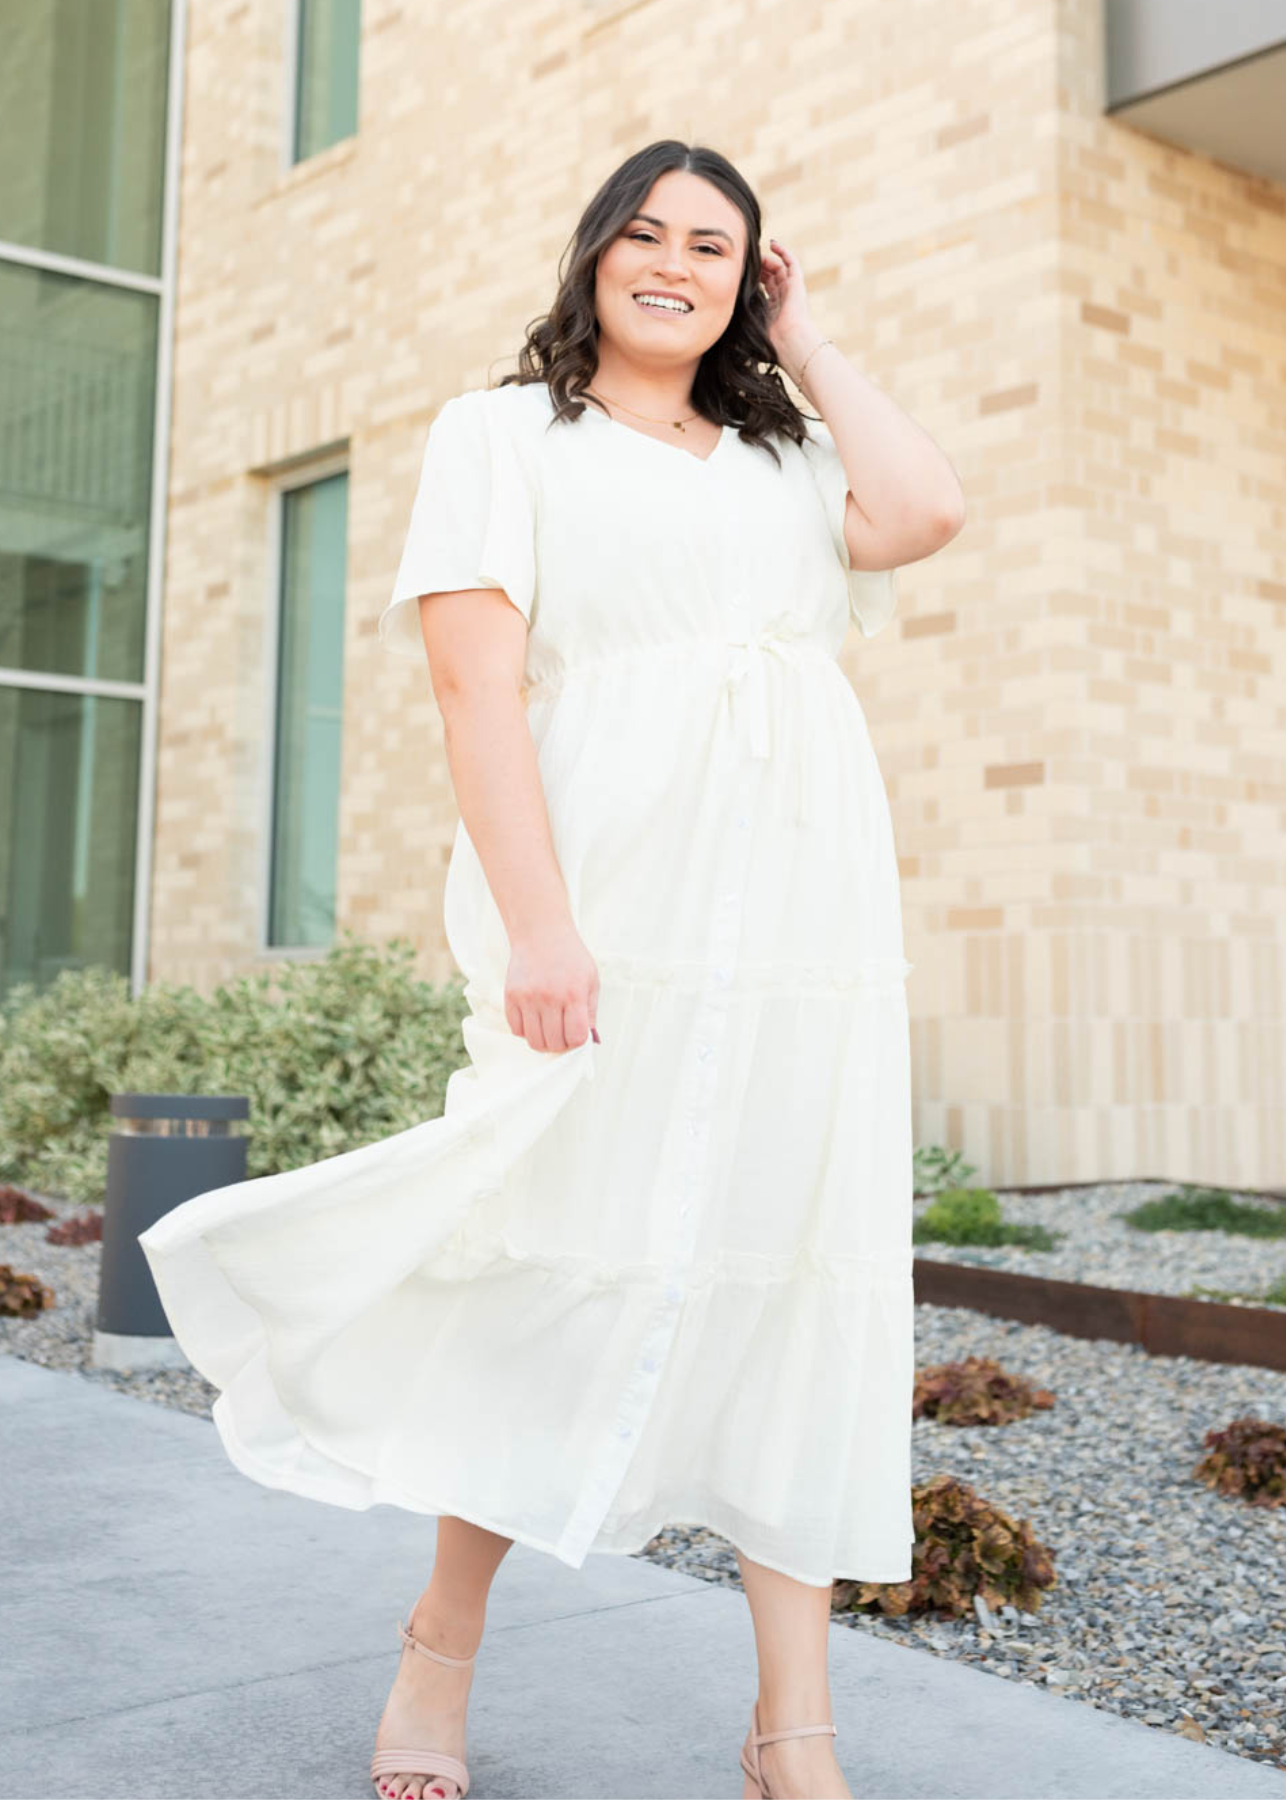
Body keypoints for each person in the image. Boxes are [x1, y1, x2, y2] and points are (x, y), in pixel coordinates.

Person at [139, 139, 964, 1800]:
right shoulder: (501, 434)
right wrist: (539, 924)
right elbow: (474, 693)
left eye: (716, 247)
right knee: (548, 1261)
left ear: (752, 276)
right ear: (593, 254)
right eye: (646, 234)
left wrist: (806, 336)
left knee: (801, 1278)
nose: (675, 263)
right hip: (616, 895)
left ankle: (791, 1731)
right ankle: (436, 1654)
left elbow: (927, 509)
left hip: (799, 922)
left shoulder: (784, 452)